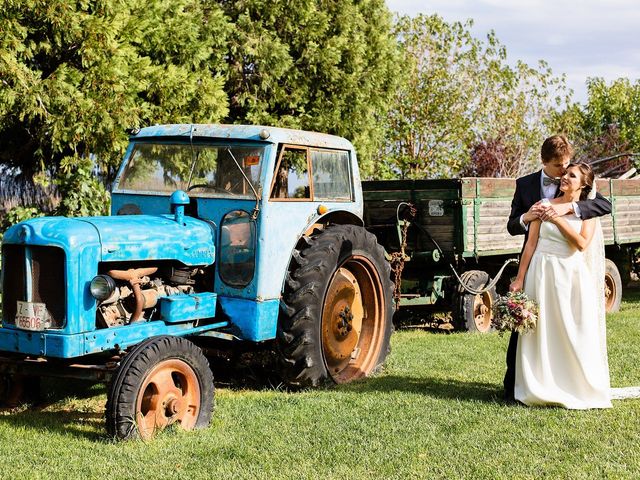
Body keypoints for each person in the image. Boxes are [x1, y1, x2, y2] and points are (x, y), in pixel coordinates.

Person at [503, 135, 611, 401]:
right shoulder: (525, 185)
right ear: (544, 162)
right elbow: (514, 228)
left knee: (569, 326)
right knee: (529, 329)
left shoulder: (582, 191)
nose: (564, 172)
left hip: (568, 269)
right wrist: (526, 218)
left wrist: (568, 210)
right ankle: (516, 383)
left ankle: (570, 382)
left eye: (568, 167)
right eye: (559, 167)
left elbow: (603, 206)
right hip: (539, 267)